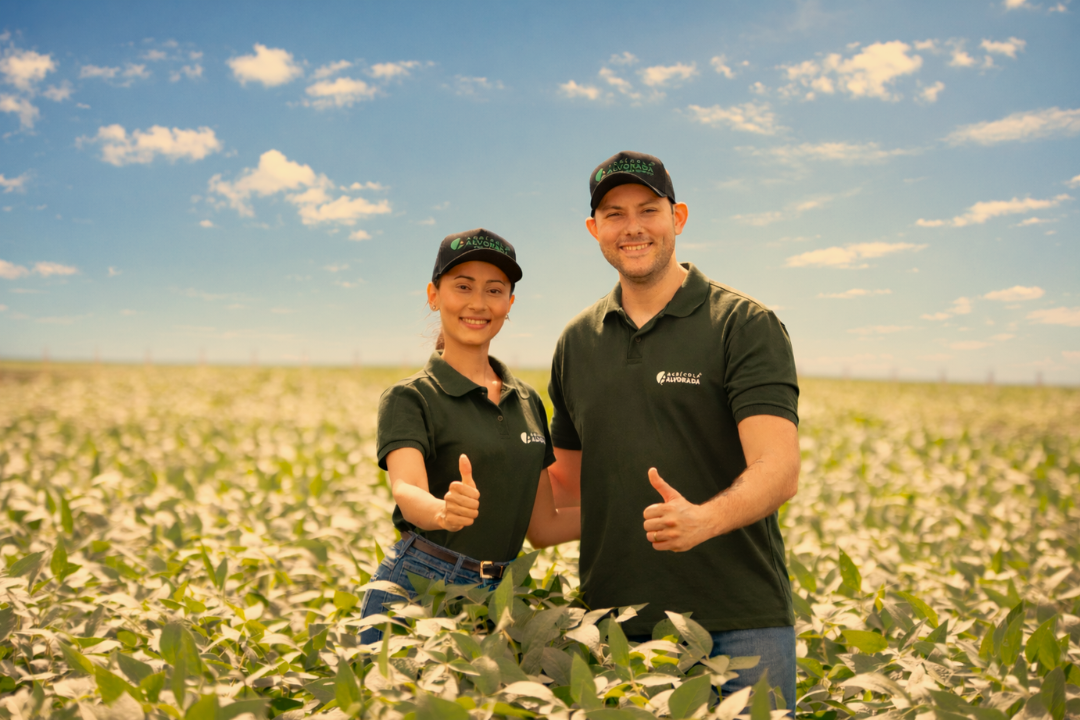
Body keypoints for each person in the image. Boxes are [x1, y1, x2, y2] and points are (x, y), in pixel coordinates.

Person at [546, 152, 801, 708]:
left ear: (678, 218)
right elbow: (562, 494)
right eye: (614, 215)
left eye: (648, 210)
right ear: (594, 230)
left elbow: (779, 469)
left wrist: (703, 520)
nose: (632, 227)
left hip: (740, 626)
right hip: (618, 631)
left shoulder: (743, 324)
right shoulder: (576, 342)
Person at [359, 228, 580, 644]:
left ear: (509, 304)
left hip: (500, 598)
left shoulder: (527, 401)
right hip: (419, 588)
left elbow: (543, 526)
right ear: (434, 295)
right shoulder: (410, 397)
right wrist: (442, 512)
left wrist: (623, 514)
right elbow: (407, 489)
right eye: (463, 286)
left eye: (494, 290)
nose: (478, 303)